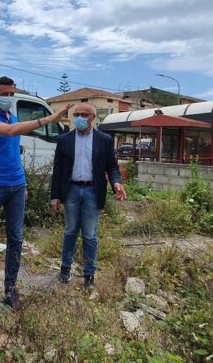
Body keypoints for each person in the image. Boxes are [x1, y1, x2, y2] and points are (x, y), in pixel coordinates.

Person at [0, 76, 73, 309]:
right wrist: (48, 119)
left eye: (11, 94)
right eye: (4, 94)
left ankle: (10, 288)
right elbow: (9, 131)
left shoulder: (13, 116)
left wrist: (24, 183)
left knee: (16, 239)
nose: (9, 98)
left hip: (16, 185)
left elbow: (14, 154)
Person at [50, 102, 127, 290]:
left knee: (90, 235)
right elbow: (58, 170)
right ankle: (65, 268)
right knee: (70, 231)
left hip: (93, 191)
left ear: (92, 118)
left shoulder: (104, 140)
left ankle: (89, 274)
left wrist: (116, 182)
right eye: (76, 114)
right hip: (72, 191)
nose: (79, 118)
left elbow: (112, 166)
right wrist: (55, 196)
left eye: (84, 115)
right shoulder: (64, 139)